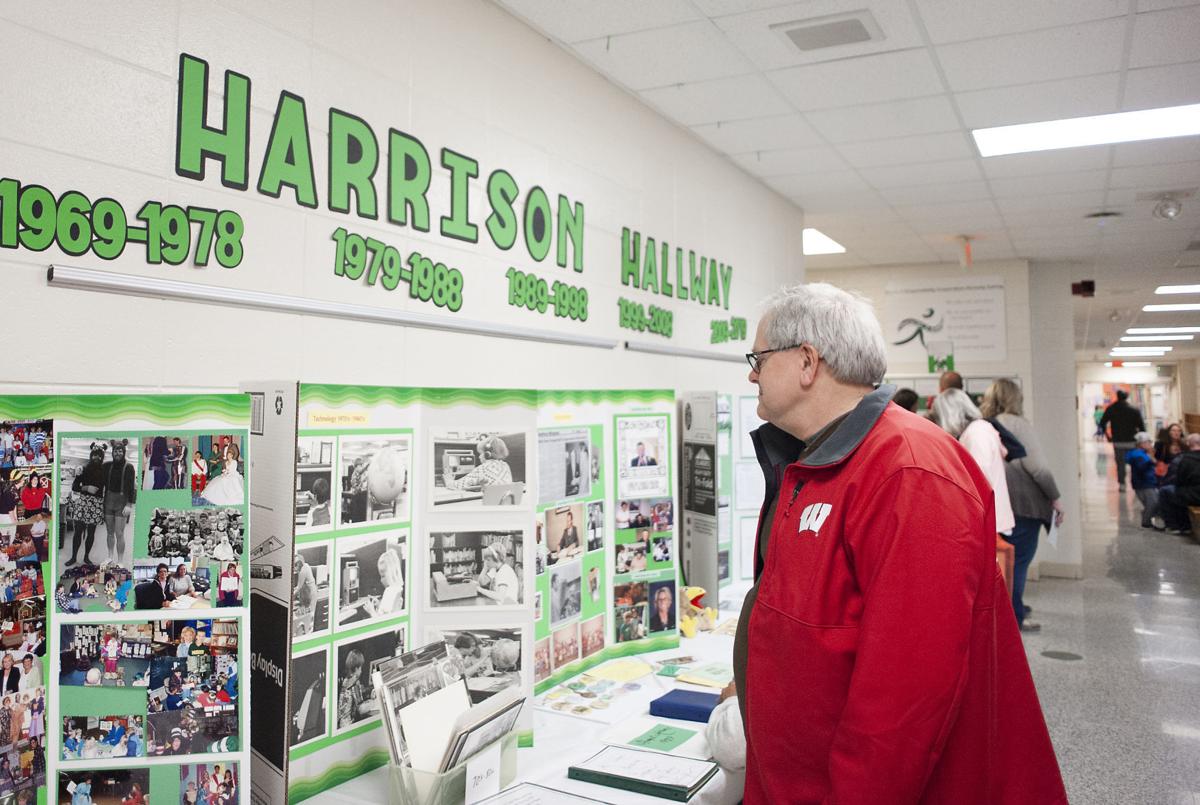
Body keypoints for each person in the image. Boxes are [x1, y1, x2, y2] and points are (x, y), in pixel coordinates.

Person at [736, 282, 1063, 803]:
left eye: (759, 358)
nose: (752, 373)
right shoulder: (816, 462)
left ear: (806, 361)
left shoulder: (909, 472)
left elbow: (904, 704)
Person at [981, 378, 1065, 631]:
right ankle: (1014, 616)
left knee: (1005, 560)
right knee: (1017, 562)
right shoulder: (1017, 423)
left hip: (1001, 503)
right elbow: (1037, 468)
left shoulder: (984, 425)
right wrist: (1056, 497)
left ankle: (1014, 606)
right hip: (1025, 504)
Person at [932, 389, 1016, 536]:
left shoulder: (976, 434)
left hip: (989, 522)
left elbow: (980, 480)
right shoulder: (978, 430)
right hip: (991, 518)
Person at [65, 443, 107, 567]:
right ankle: (73, 557)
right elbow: (74, 486)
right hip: (83, 502)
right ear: (91, 455)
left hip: (97, 504)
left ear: (102, 457)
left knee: (91, 533)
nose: (96, 458)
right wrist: (86, 487)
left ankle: (86, 557)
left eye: (99, 456)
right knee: (78, 531)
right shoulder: (83, 469)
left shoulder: (105, 472)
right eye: (94, 455)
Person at [1098, 389, 1145, 491]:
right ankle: (1135, 483)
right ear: (1126, 397)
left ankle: (1122, 484)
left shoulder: (1111, 409)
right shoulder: (1134, 410)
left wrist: (1108, 436)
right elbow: (1142, 427)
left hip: (1118, 441)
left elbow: (1102, 423)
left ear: (1117, 396)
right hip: (1132, 441)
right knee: (1134, 463)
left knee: (1120, 464)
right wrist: (1141, 440)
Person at [102, 439, 137, 563]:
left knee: (119, 533)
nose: (118, 453)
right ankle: (110, 557)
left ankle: (120, 561)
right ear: (113, 452)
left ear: (124, 452)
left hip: (122, 503)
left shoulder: (129, 467)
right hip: (108, 501)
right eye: (116, 451)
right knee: (109, 532)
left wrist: (129, 504)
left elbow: (132, 487)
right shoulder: (107, 466)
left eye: (120, 451)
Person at [1158, 433, 1200, 535]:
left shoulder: (1185, 459)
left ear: (1188, 444)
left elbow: (1180, 480)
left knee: (1165, 491)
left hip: (1193, 495)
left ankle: (1176, 526)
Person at [442, 435, 513, 492]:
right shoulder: (505, 465)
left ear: (487, 454)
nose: (479, 457)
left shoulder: (483, 468)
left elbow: (457, 486)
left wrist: (448, 480)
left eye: (480, 453)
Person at [1127, 432, 1162, 530]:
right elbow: (1142, 467)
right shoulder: (1138, 455)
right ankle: (1146, 521)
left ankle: (1147, 520)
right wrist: (1151, 459)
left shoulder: (1142, 454)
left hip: (1147, 482)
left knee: (1152, 502)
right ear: (1141, 443)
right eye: (1149, 442)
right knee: (1153, 502)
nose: (1151, 445)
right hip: (1144, 484)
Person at [362, 549, 404, 616]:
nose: (381, 580)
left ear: (390, 574)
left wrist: (371, 611)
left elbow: (382, 621)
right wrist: (379, 605)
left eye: (383, 576)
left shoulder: (389, 591)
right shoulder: (398, 589)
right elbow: (386, 613)